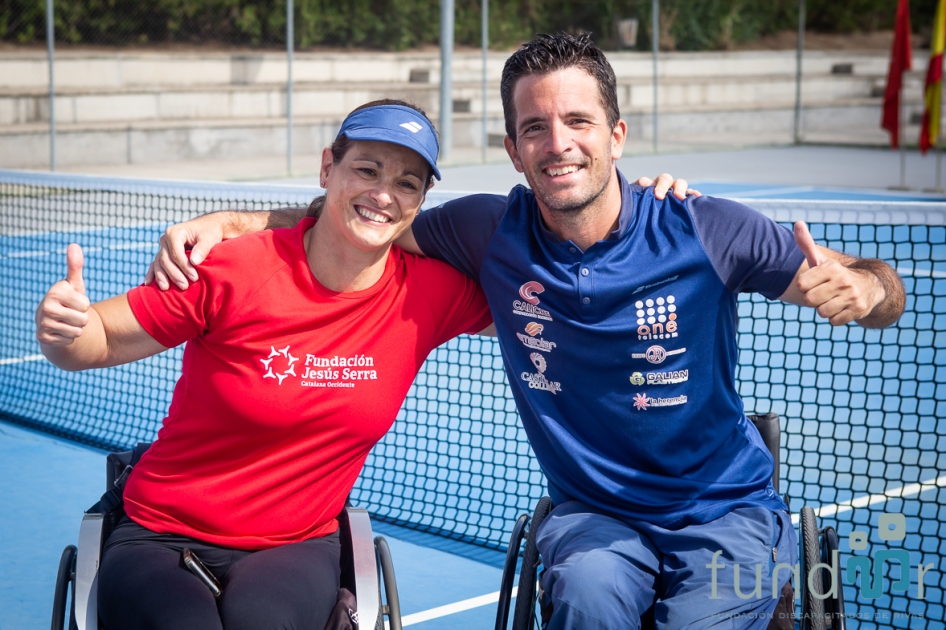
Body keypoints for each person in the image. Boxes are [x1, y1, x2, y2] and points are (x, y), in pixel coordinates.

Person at [145, 34, 906, 629]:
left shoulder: (705, 226)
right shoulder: (487, 231)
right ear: (513, 151)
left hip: (726, 511)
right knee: (586, 599)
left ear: (616, 133)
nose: (558, 142)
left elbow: (876, 291)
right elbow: (363, 222)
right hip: (594, 516)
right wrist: (241, 221)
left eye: (578, 121)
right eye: (534, 127)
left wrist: (866, 287)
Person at [34, 100, 498, 630]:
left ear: (420, 200)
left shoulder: (431, 293)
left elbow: (535, 315)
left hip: (296, 545)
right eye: (367, 169)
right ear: (329, 168)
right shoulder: (235, 266)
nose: (384, 194)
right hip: (162, 532)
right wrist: (65, 330)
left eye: (407, 183)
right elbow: (101, 339)